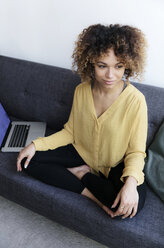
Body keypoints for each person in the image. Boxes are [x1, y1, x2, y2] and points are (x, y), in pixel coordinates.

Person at [17, 24, 148, 219]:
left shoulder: (135, 100)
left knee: (126, 209)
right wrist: (36, 145)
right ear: (90, 63)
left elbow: (136, 151)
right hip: (81, 152)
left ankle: (81, 175)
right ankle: (89, 189)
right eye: (102, 66)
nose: (110, 75)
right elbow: (71, 132)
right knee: (27, 161)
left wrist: (130, 184)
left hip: (116, 164)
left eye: (118, 66)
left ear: (128, 64)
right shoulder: (82, 90)